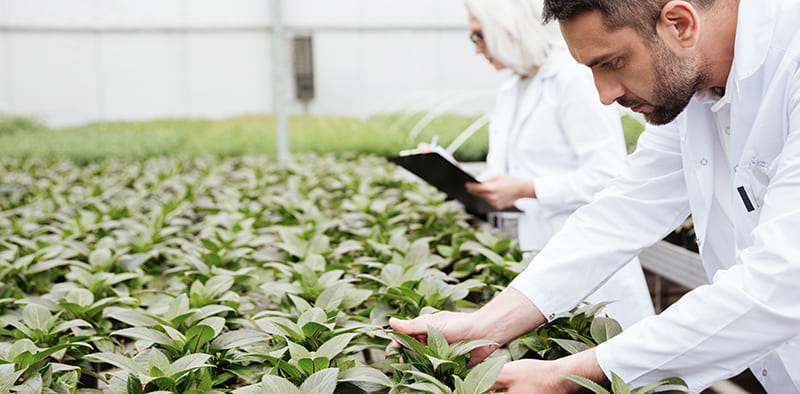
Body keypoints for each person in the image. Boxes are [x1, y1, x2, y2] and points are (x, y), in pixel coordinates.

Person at [392, 0, 800, 392]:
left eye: (610, 62)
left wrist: (569, 375)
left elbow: (780, 283)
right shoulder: (693, 87)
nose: (604, 95)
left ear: (679, 24)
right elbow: (623, 210)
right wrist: (487, 324)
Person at [418, 0, 654, 328]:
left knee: (608, 360)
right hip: (538, 253)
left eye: (479, 36)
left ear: (506, 27)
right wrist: (450, 170)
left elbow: (608, 175)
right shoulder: (514, 86)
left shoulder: (573, 76)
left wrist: (528, 189)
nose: (477, 49)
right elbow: (510, 168)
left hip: (588, 253)